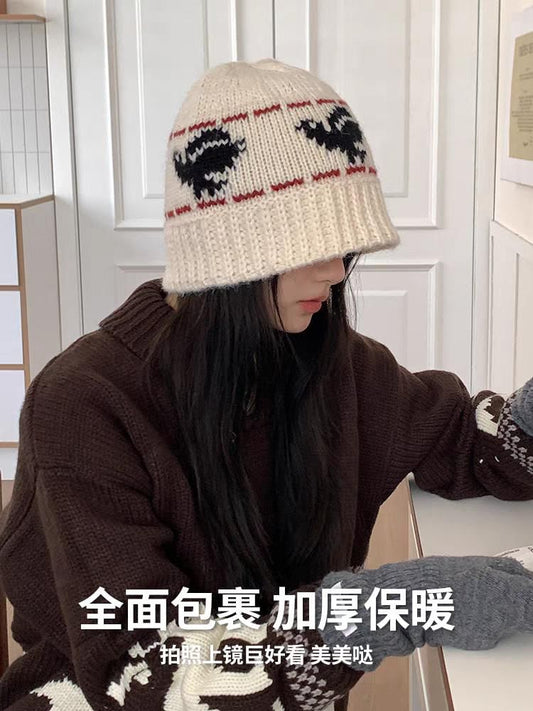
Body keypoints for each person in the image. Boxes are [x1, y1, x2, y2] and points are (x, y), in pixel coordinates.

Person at [0, 57, 533, 711]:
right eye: (311, 244)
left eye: (345, 244)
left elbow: (480, 446)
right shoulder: (84, 404)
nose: (336, 271)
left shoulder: (339, 367)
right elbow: (153, 678)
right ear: (228, 252)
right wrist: (387, 609)